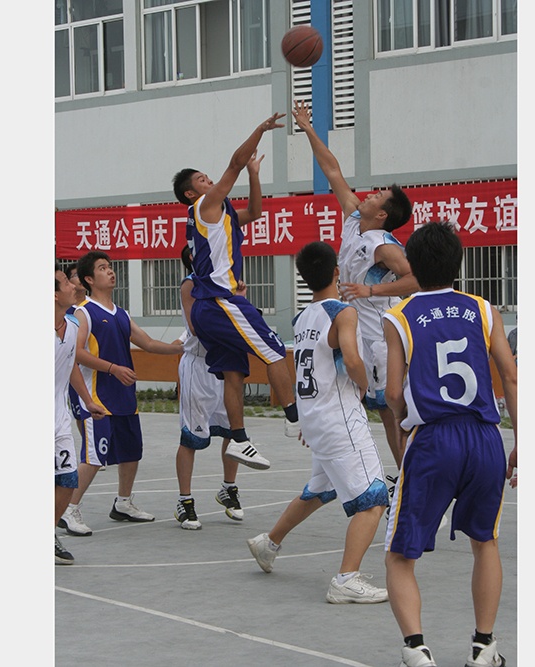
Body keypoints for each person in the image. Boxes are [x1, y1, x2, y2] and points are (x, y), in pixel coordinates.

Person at [381, 222, 517, 667]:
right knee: (485, 542)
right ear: (458, 263)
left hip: (434, 439)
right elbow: (511, 375)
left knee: (400, 554)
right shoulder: (483, 309)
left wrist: (403, 422)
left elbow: (394, 392)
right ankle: (483, 647)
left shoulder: (399, 315)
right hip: (485, 436)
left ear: (412, 266)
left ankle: (417, 649)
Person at [246, 241, 390, 604]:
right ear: (337, 272)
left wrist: (310, 420)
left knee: (321, 490)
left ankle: (268, 543)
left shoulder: (303, 318)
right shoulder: (343, 313)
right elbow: (352, 359)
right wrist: (364, 384)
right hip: (340, 418)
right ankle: (346, 579)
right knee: (374, 499)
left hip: (315, 416)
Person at [291, 100, 415, 470]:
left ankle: (408, 478)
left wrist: (372, 291)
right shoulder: (352, 217)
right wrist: (307, 128)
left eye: (378, 196)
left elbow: (417, 279)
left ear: (383, 214)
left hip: (379, 336)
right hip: (353, 327)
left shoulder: (384, 246)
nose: (371, 193)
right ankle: (382, 472)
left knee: (393, 413)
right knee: (371, 408)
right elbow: (332, 169)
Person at [173, 111, 300, 471]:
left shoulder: (220, 213)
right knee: (275, 351)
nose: (210, 180)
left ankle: (240, 441)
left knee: (233, 373)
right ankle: (295, 419)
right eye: (202, 179)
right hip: (220, 302)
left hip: (211, 306)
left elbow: (255, 213)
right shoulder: (204, 206)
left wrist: (255, 175)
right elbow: (234, 163)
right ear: (190, 192)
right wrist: (260, 130)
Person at [62, 250, 184, 532]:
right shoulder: (84, 312)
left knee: (131, 452)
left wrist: (179, 346)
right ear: (89, 279)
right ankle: (69, 508)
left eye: (110, 266)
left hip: (125, 397)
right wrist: (113, 368)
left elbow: (149, 343)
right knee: (94, 458)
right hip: (99, 398)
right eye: (102, 268)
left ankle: (123, 503)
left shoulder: (121, 314)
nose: (110, 271)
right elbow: (76, 352)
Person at [174, 244, 250, 530]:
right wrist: (231, 309)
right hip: (199, 366)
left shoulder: (227, 282)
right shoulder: (190, 284)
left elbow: (242, 320)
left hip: (225, 363)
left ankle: (229, 489)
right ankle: (184, 501)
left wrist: (240, 300)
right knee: (191, 438)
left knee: (233, 430)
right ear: (194, 257)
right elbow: (197, 326)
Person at [54, 264, 106, 564]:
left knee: (68, 480)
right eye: (66, 283)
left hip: (59, 420)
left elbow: (71, 362)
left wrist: (87, 401)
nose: (74, 286)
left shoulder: (72, 325)